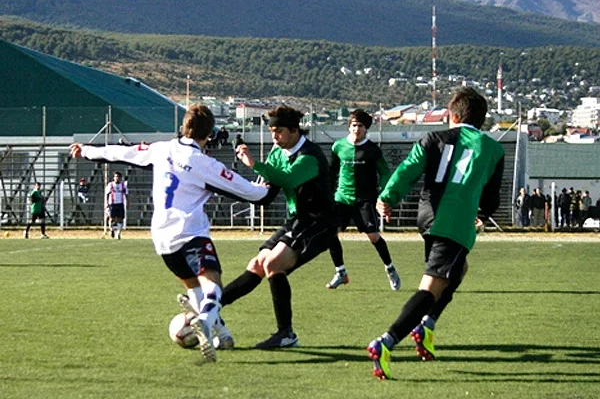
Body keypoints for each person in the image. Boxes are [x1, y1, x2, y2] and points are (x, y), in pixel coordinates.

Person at [69, 104, 277, 362]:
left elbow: (122, 152)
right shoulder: (204, 163)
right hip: (190, 233)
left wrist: (87, 151)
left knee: (193, 285)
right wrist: (269, 186)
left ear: (183, 128)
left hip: (162, 238)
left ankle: (222, 334)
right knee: (213, 282)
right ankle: (206, 319)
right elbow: (251, 193)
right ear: (208, 135)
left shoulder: (160, 149)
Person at [366, 87, 504, 380]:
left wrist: (387, 198)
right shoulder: (492, 148)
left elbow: (407, 170)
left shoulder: (433, 138)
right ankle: (386, 342)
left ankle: (426, 324)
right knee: (432, 287)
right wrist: (481, 215)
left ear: (453, 115)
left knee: (458, 269)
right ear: (481, 121)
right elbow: (492, 198)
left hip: (427, 216)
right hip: (454, 221)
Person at [221, 105, 337, 348]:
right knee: (257, 264)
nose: (274, 136)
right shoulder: (277, 154)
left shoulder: (310, 155)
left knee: (273, 264)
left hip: (320, 221)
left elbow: (288, 179)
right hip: (297, 220)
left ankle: (286, 334)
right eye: (272, 130)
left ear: (294, 131)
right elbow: (266, 195)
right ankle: (211, 309)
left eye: (279, 131)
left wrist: (254, 163)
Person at [325, 109, 400, 290]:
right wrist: (326, 193)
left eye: (360, 126)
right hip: (342, 199)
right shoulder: (338, 146)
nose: (356, 129)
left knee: (373, 236)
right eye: (353, 125)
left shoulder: (373, 150)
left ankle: (390, 268)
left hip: (364, 200)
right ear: (349, 126)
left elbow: (385, 173)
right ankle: (341, 272)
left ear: (366, 129)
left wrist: (384, 195)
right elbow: (331, 172)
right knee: (329, 234)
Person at [105, 171, 128, 239]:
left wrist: (127, 202)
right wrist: (107, 203)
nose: (117, 178)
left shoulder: (123, 185)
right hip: (112, 204)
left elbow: (126, 194)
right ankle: (111, 229)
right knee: (111, 218)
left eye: (118, 177)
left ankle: (118, 233)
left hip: (120, 204)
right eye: (116, 177)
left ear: (120, 178)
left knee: (120, 219)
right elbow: (107, 194)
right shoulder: (111, 185)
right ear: (114, 177)